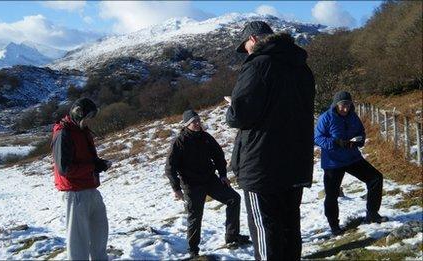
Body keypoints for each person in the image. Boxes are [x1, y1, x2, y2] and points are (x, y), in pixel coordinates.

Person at [226, 21, 315, 260]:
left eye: (245, 45)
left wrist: (230, 108)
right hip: (296, 162)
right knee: (289, 230)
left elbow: (240, 115)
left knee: (267, 231)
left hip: (262, 166)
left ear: (253, 39)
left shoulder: (258, 65)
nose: (245, 51)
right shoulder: (301, 67)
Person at [165, 110, 249, 258]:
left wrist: (223, 175)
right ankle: (193, 250)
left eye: (198, 120)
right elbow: (170, 167)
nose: (197, 124)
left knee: (234, 199)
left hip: (210, 180)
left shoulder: (205, 137)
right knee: (195, 217)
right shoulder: (179, 142)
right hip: (191, 185)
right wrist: (176, 188)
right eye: (193, 122)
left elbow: (218, 156)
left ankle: (232, 236)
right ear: (187, 125)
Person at [314, 91, 388, 236]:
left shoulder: (353, 116)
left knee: (375, 178)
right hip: (332, 162)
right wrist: (335, 142)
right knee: (331, 194)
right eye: (342, 106)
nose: (345, 109)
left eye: (348, 105)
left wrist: (359, 140)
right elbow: (317, 138)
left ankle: (372, 214)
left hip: (352, 158)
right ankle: (334, 226)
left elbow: (361, 131)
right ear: (336, 105)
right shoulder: (326, 118)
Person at [51, 97, 112, 260]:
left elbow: (84, 158)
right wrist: (93, 166)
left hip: (90, 188)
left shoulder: (80, 130)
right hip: (75, 193)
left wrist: (98, 163)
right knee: (78, 242)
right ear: (78, 114)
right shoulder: (64, 133)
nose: (89, 121)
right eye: (88, 117)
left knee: (100, 234)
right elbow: (65, 169)